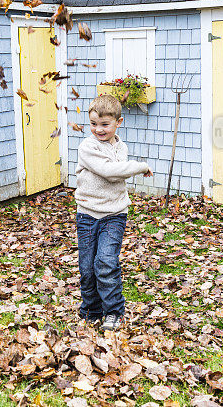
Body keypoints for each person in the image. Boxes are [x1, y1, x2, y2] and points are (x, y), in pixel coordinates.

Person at [74, 94, 152, 332]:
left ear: (119, 122)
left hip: (114, 215)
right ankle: (91, 310)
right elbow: (108, 171)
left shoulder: (121, 147)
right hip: (87, 214)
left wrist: (133, 167)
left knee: (106, 262)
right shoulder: (87, 146)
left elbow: (116, 172)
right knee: (87, 267)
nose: (98, 129)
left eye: (105, 124)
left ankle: (114, 312)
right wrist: (141, 166)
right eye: (93, 124)